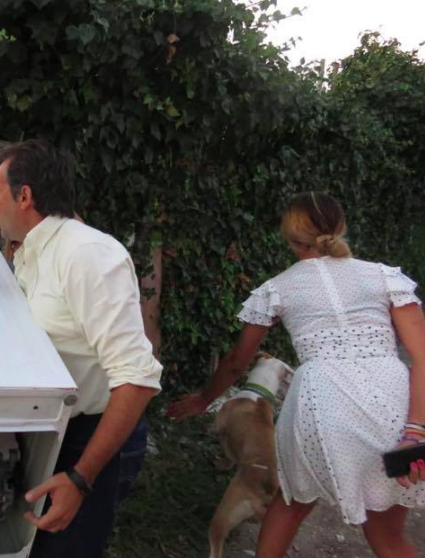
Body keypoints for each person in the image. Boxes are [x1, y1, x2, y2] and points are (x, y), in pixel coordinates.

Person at [168, 192, 425, 558]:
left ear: (289, 237)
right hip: (391, 403)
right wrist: (415, 429)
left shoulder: (276, 288)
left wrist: (203, 400)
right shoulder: (384, 277)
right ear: (341, 227)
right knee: (387, 536)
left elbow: (238, 362)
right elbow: (422, 356)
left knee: (291, 503)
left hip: (320, 403)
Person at [0, 139, 163, 558]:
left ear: (24, 196)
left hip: (83, 441)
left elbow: (137, 378)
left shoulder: (88, 255)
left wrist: (81, 478)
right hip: (40, 432)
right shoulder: (31, 252)